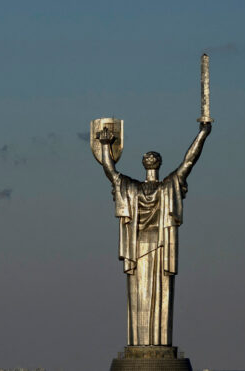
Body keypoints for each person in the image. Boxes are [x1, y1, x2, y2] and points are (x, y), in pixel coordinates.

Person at [96, 121, 211, 347]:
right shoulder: (166, 186)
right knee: (150, 294)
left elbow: (111, 172)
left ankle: (147, 345)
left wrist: (105, 146)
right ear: (157, 164)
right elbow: (189, 161)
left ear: (148, 163)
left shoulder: (135, 188)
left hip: (149, 246)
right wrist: (203, 134)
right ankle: (151, 345)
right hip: (155, 245)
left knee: (148, 295)